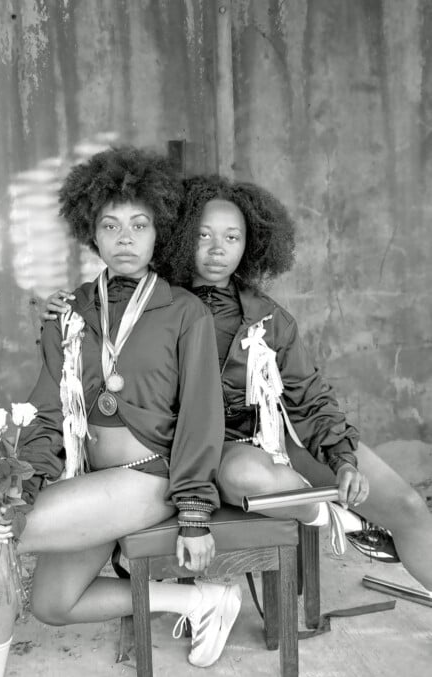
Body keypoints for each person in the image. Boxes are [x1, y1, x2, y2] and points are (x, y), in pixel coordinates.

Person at [0, 149, 241, 677]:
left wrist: (194, 513)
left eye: (139, 224)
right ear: (91, 230)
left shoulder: (185, 312)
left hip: (148, 477)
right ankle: (198, 603)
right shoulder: (70, 313)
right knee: (53, 605)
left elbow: (201, 418)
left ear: (161, 229)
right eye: (110, 225)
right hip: (90, 479)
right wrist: (23, 485)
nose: (125, 238)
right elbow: (48, 411)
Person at [44, 172, 432, 588]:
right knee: (245, 475)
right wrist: (64, 307)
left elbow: (308, 399)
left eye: (233, 238)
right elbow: (99, 334)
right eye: (203, 236)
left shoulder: (268, 316)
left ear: (250, 245)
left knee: (407, 506)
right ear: (178, 236)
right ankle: (333, 516)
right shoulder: (150, 304)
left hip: (283, 439)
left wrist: (342, 458)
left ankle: (337, 504)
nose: (217, 251)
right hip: (213, 451)